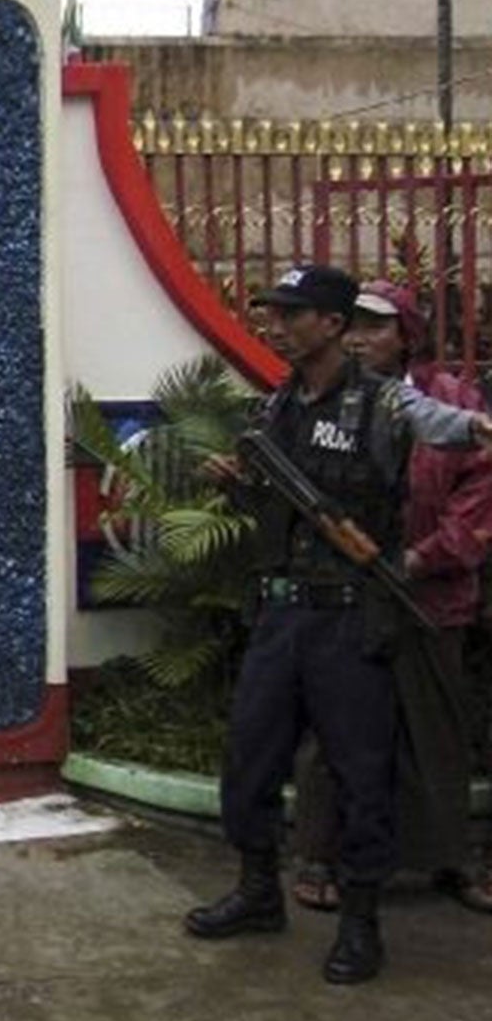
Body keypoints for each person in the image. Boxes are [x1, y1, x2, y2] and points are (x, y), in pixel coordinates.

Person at [185, 263, 491, 984]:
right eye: (273, 313)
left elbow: (452, 429)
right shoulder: (275, 409)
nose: (276, 326)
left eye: (292, 315)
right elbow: (268, 504)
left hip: (353, 619)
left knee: (361, 774)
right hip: (283, 611)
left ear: (332, 325)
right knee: (250, 763)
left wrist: (480, 423)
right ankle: (259, 890)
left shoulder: (386, 405)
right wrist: (238, 479)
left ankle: (360, 923)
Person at [292, 280, 492, 915]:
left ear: (406, 335)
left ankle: (451, 857)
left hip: (430, 597)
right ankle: (321, 853)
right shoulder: (328, 401)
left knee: (436, 730)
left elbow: (479, 496)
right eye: (350, 325)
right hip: (346, 595)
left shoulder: (452, 401)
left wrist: (419, 558)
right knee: (332, 729)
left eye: (376, 326)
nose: (359, 337)